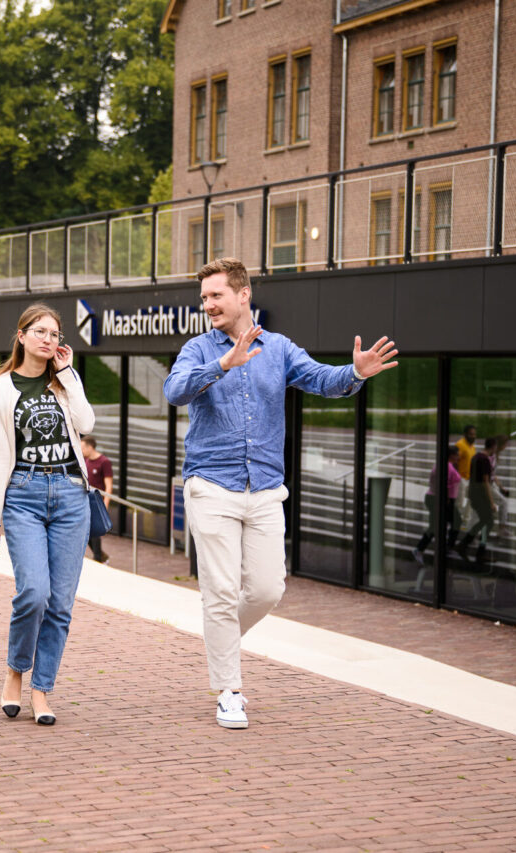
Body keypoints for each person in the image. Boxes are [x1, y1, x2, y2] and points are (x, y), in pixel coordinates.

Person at [163, 257, 398, 730]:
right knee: (222, 591)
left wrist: (356, 373)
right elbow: (174, 390)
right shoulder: (198, 348)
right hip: (211, 485)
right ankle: (230, 691)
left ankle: (220, 637)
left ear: (243, 294)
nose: (208, 304)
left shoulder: (280, 349)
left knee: (269, 589)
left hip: (266, 489)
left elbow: (322, 380)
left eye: (216, 295)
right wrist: (222, 364)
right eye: (204, 297)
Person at [0, 303, 94, 726]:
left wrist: (67, 375)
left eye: (54, 334)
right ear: (22, 336)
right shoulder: (1, 388)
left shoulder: (65, 380)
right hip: (24, 495)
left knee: (61, 604)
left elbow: (86, 423)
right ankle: (15, 669)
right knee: (34, 593)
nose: (48, 339)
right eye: (40, 332)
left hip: (70, 495)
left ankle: (41, 689)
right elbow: (1, 454)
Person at [411, 445, 461, 565]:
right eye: (457, 454)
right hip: (440, 499)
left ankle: (440, 548)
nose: (459, 457)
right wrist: (447, 499)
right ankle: (421, 549)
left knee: (442, 524)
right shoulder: (446, 466)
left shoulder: (442, 464)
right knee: (451, 522)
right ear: (451, 455)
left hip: (437, 498)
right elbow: (444, 484)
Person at [456, 437, 498, 564]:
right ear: (493, 446)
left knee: (486, 522)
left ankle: (467, 546)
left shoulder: (475, 457)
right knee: (488, 522)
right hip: (480, 494)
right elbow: (486, 482)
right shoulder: (485, 460)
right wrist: (491, 502)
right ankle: (472, 548)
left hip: (473, 493)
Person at [81, 435, 113, 563]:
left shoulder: (104, 462)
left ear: (90, 447)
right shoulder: (86, 461)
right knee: (86, 531)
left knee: (95, 531)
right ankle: (102, 556)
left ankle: (98, 559)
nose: (81, 451)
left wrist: (105, 503)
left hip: (97, 502)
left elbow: (109, 485)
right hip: (86, 500)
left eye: (83, 448)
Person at [454, 425, 476, 525]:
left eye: (474, 434)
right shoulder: (460, 444)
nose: (473, 436)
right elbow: (454, 461)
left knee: (472, 499)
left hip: (469, 478)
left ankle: (466, 520)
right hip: (460, 478)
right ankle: (456, 522)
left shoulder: (473, 447)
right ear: (465, 434)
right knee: (459, 502)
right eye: (471, 434)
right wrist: (456, 476)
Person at [489, 434, 510, 538]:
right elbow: (488, 475)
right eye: (506, 444)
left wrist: (501, 487)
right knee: (504, 503)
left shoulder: (495, 455)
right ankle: (501, 529)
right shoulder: (491, 456)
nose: (507, 446)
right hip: (488, 485)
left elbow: (493, 474)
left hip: (491, 484)